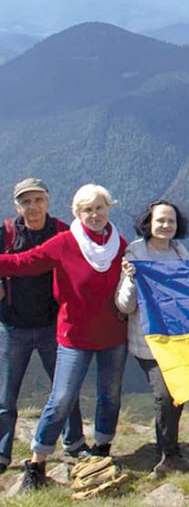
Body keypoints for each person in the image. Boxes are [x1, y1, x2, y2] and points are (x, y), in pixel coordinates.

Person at [0, 184, 127, 492]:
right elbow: (23, 263)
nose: (94, 215)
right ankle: (36, 463)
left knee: (109, 396)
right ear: (76, 213)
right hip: (73, 335)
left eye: (99, 208)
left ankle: (102, 450)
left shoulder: (120, 244)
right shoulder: (64, 243)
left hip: (114, 333)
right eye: (87, 210)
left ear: (109, 208)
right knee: (61, 400)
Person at [0, 178, 86, 475]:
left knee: (65, 389)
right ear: (17, 206)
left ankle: (75, 444)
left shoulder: (63, 232)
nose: (32, 206)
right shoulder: (7, 233)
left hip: (54, 325)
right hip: (13, 325)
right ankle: (2, 453)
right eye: (26, 201)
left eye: (38, 200)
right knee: (5, 396)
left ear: (48, 201)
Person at [115, 200, 189, 476]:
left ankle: (168, 446)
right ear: (148, 222)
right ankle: (168, 453)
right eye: (160, 220)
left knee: (178, 393)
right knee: (165, 393)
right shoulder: (135, 252)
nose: (165, 226)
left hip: (177, 340)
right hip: (148, 341)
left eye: (170, 221)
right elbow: (124, 306)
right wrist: (131, 279)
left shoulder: (179, 252)